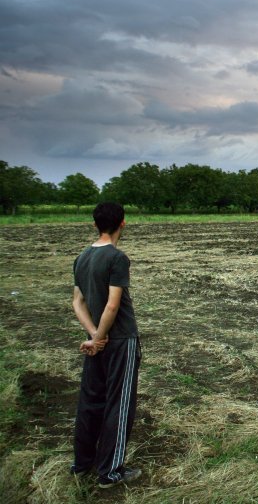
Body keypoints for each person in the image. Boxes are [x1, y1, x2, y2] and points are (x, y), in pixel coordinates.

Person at [70, 202, 142, 488]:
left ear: (95, 224)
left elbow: (78, 303)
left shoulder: (82, 257)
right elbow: (112, 306)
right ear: (122, 223)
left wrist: (93, 337)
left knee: (90, 401)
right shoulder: (116, 258)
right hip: (120, 339)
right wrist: (100, 337)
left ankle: (82, 463)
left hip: (97, 342)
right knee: (119, 404)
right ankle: (110, 472)